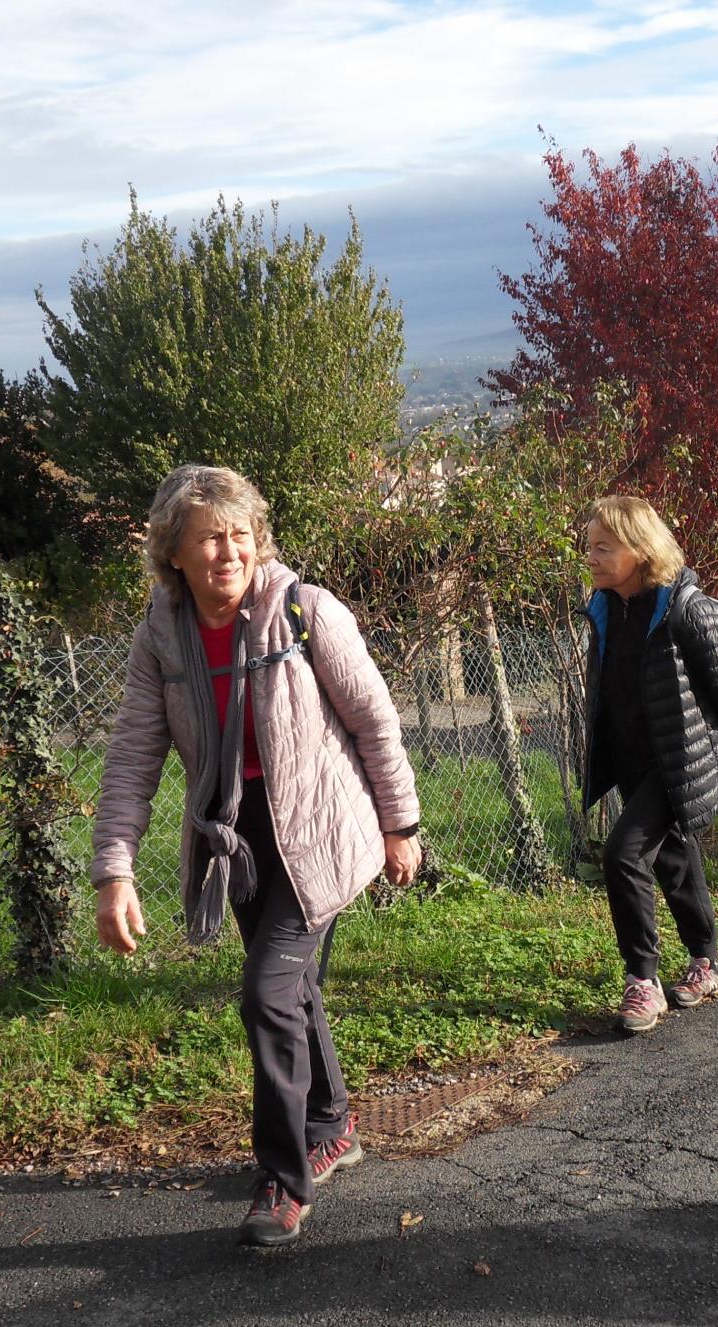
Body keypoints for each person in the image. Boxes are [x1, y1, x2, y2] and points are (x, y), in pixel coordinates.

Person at [90, 465, 422, 1247]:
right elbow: (133, 757)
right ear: (173, 552)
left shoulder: (304, 611)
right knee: (294, 988)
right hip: (235, 845)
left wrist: (400, 824)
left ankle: (282, 1178)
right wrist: (115, 870)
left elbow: (373, 717)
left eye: (240, 535)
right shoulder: (162, 636)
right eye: (208, 538)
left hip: (322, 834)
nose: (227, 552)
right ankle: (332, 1126)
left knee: (267, 992)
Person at [581, 496, 718, 1034]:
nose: (589, 557)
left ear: (640, 549)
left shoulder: (687, 610)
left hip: (681, 762)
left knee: (622, 854)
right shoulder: (606, 607)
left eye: (602, 547)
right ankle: (706, 960)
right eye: (588, 546)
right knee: (674, 858)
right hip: (635, 758)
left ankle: (642, 980)